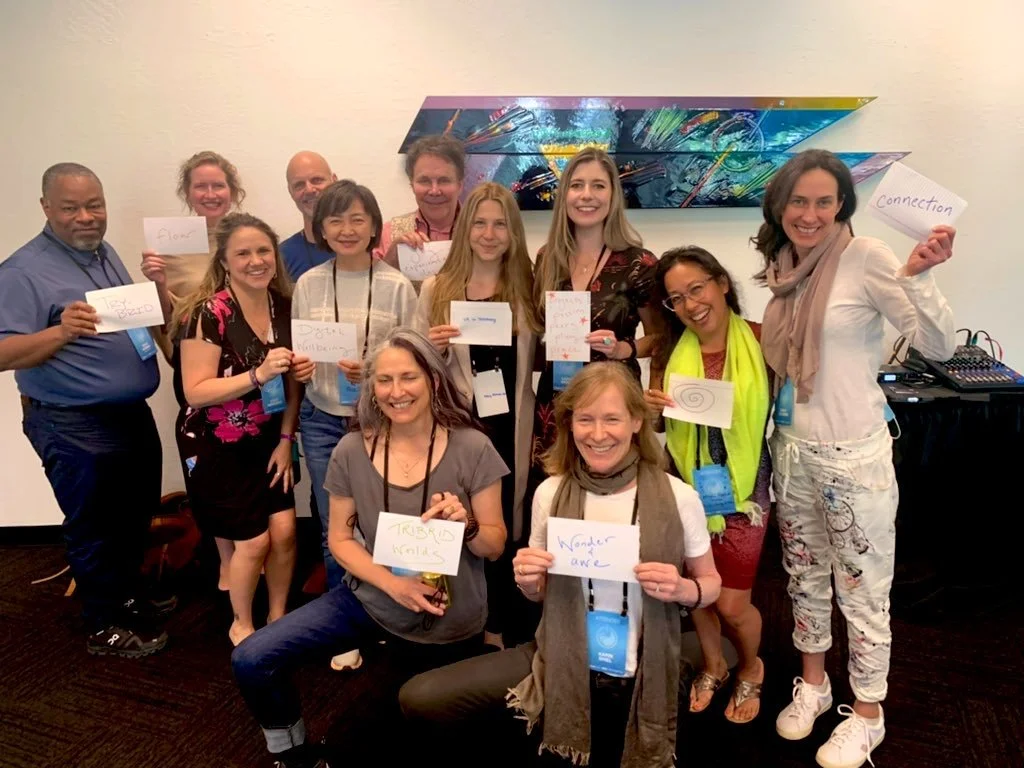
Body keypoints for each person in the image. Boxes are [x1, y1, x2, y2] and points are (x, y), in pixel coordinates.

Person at [399, 362, 720, 768]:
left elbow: (711, 584)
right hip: (558, 653)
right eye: (585, 419)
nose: (598, 434)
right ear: (569, 424)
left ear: (637, 421)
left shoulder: (678, 496)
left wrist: (683, 589)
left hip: (646, 664)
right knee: (421, 697)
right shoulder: (550, 493)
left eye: (612, 419)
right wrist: (528, 580)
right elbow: (538, 594)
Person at [756, 149, 957, 768]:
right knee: (804, 578)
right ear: (780, 207)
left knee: (863, 591)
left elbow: (938, 345)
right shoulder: (782, 266)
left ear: (842, 204)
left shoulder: (866, 256)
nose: (810, 214)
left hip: (853, 458)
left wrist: (920, 277)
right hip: (792, 452)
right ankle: (815, 685)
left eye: (824, 201)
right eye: (798, 201)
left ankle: (868, 712)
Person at [231, 328, 508, 768]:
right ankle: (291, 753)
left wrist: (467, 524)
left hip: (447, 613)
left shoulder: (473, 447)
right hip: (374, 597)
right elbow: (340, 539)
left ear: (433, 380)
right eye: (384, 380)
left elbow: (494, 546)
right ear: (371, 387)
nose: (397, 392)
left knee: (407, 737)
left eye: (409, 377)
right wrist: (392, 585)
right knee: (252, 658)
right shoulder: (350, 450)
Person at [0, 163, 168, 657]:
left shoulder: (102, 252)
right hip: (72, 421)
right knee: (95, 523)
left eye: (94, 205)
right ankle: (102, 623)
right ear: (46, 208)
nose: (86, 217)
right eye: (71, 208)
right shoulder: (22, 271)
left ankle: (125, 596)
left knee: (134, 513)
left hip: (128, 413)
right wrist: (61, 331)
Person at [645, 246, 772, 723]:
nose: (690, 304)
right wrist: (650, 410)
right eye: (676, 298)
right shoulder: (669, 352)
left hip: (745, 490)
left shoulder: (762, 339)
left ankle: (752, 666)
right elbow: (659, 427)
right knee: (695, 588)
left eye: (696, 288)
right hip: (686, 486)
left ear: (721, 283)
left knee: (734, 604)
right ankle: (715, 664)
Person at [413, 181, 541, 648]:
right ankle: (460, 617)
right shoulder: (436, 289)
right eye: (480, 223)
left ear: (513, 232)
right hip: (461, 428)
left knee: (506, 521)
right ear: (465, 229)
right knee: (463, 518)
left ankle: (500, 624)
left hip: (512, 427)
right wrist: (434, 348)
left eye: (500, 224)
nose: (489, 234)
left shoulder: (529, 287)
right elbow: (414, 365)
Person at [171, 213, 301, 647]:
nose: (256, 260)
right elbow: (195, 391)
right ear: (225, 261)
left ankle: (278, 615)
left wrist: (286, 440)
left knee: (286, 532)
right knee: (254, 542)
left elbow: (293, 385)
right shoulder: (208, 313)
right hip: (215, 445)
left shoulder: (286, 307)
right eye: (243, 253)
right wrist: (257, 375)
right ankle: (242, 623)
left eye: (264, 250)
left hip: (270, 440)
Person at [291, 181, 417, 593]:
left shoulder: (397, 285)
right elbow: (299, 351)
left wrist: (375, 371)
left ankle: (389, 603)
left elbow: (414, 358)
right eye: (335, 220)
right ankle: (341, 607)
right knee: (335, 525)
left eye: (357, 219)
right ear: (322, 229)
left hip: (381, 420)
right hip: (321, 419)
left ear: (375, 226)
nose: (347, 230)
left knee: (385, 516)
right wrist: (301, 368)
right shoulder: (308, 284)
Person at [143, 150, 246, 591]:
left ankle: (252, 552)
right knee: (207, 465)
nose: (210, 193)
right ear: (187, 193)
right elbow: (165, 322)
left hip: (246, 370)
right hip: (195, 370)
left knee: (246, 463)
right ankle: (221, 557)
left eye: (218, 185)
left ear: (232, 191)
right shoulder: (169, 249)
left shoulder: (247, 238)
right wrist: (157, 284)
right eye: (200, 186)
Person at [531, 147, 662, 474]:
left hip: (613, 404)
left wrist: (623, 349)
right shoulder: (547, 258)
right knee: (555, 490)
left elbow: (661, 337)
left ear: (613, 195)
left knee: (613, 491)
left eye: (598, 185)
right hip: (556, 401)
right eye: (577, 185)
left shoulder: (639, 263)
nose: (586, 195)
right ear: (564, 194)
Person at [376, 134, 465, 291]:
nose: (434, 191)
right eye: (424, 181)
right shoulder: (387, 235)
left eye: (444, 180)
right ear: (412, 185)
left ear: (460, 185)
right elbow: (371, 297)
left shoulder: (484, 233)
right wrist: (390, 261)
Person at [279, 151, 337, 282]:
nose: (309, 189)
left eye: (317, 180)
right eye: (299, 185)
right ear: (290, 191)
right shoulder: (282, 256)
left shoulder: (362, 245)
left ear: (334, 181)